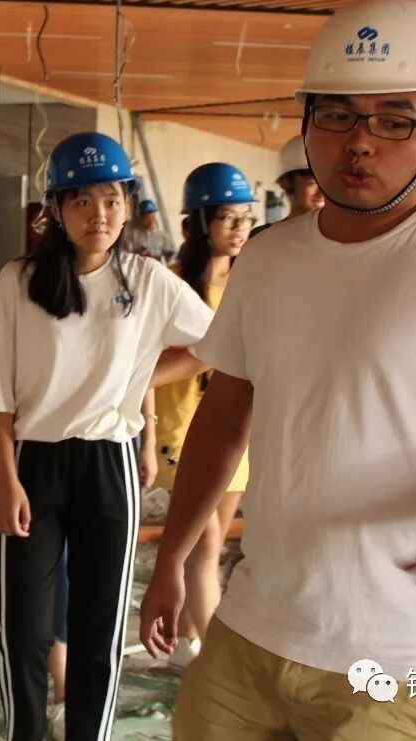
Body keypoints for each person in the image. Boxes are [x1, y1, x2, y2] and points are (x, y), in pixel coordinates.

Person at [139, 0, 416, 740]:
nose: (360, 142)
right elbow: (224, 415)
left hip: (403, 660)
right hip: (252, 630)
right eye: (338, 114)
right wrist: (172, 558)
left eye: (395, 120)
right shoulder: (269, 258)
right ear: (308, 124)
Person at [0, 132, 214, 740]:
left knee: (98, 627)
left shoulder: (147, 280)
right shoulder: (19, 280)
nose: (98, 214)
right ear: (55, 209)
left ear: (127, 204)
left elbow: (219, 343)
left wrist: (140, 379)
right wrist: (5, 481)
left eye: (111, 198)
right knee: (23, 628)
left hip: (110, 466)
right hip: (33, 466)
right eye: (81, 200)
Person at [151, 162, 256, 674]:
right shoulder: (170, 285)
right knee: (204, 538)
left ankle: (188, 641)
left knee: (210, 546)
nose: (240, 229)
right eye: (228, 218)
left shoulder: (251, 284)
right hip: (183, 430)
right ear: (197, 222)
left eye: (246, 218)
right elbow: (145, 362)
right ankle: (216, 659)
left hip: (237, 430)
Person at [251, 136, 325, 237]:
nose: (322, 194)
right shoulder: (260, 238)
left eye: (328, 184)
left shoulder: (343, 239)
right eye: (313, 182)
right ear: (286, 182)